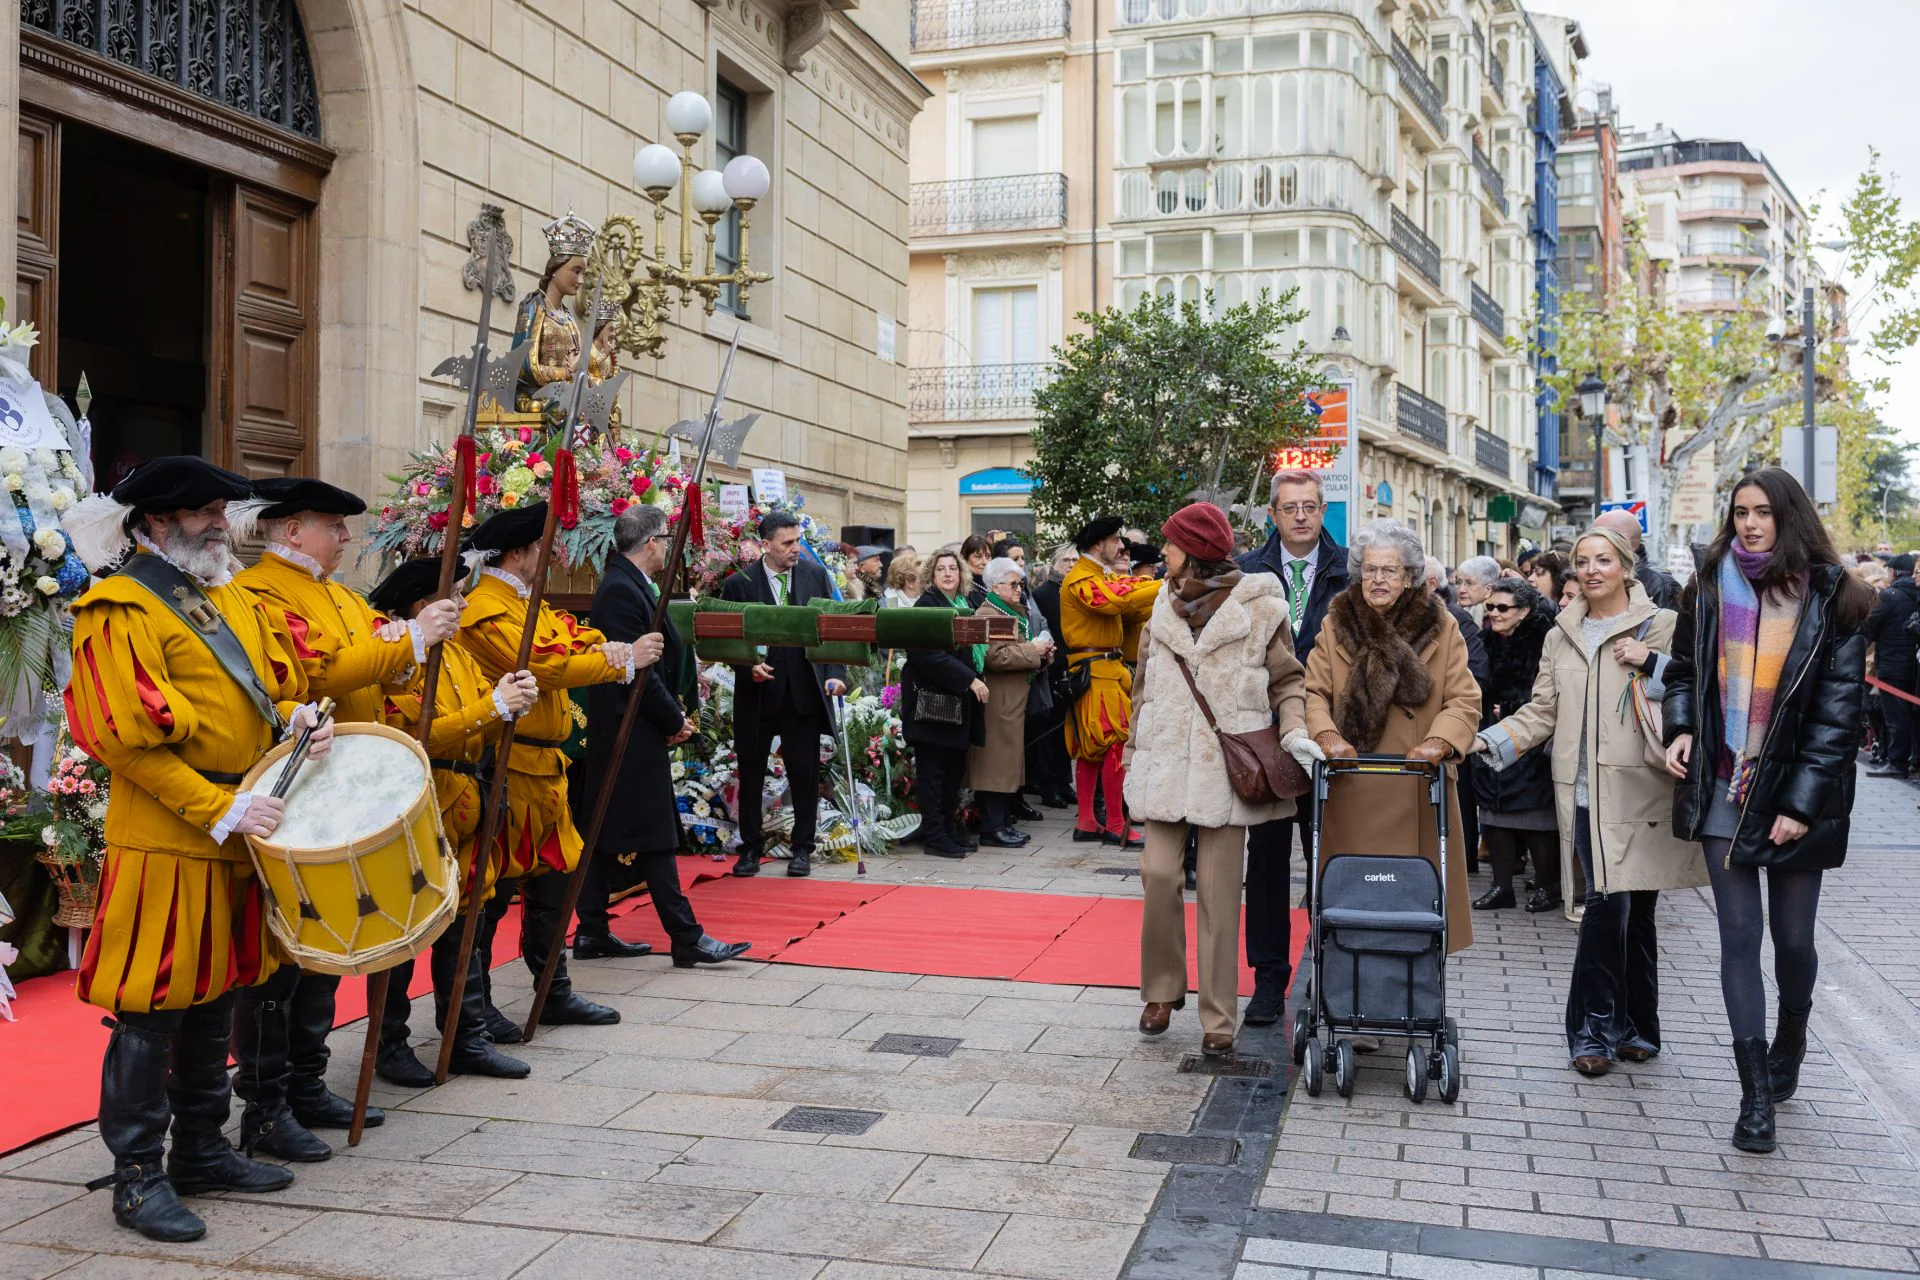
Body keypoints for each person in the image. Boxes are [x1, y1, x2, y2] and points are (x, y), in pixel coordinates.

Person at [64, 457, 324, 1241]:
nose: (220, 522)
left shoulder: (221, 595)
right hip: (172, 838)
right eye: (202, 511)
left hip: (236, 827)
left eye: (220, 508)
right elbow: (119, 738)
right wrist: (221, 808)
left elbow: (259, 691)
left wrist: (299, 721)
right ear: (152, 524)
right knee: (153, 1008)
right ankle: (138, 1177)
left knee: (217, 995)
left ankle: (203, 1150)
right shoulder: (117, 608)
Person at [229, 477, 466, 1157]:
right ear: (292, 529)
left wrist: (411, 649)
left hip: (348, 781)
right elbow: (320, 670)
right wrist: (410, 639)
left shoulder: (338, 594)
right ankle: (266, 1097)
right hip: (298, 783)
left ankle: (306, 1082)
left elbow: (374, 669)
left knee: (330, 944)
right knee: (286, 957)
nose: (345, 537)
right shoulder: (262, 591)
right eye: (332, 524)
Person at [1663, 468, 1871, 1153]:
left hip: (1792, 794)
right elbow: (1685, 672)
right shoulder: (1708, 584)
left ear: (1789, 517)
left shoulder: (1832, 597)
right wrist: (1682, 727)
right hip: (1725, 785)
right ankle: (1755, 1096)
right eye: (1740, 511)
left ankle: (1793, 1035)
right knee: (1738, 939)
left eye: (1763, 512)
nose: (1749, 523)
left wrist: (1802, 806)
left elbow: (1837, 721)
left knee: (1793, 941)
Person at [1474, 524, 1694, 1077]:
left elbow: (1695, 688)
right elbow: (1543, 709)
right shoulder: (1560, 633)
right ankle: (1593, 1029)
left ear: (1626, 565)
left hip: (1642, 788)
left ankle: (1639, 1026)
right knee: (1607, 902)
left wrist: (1651, 661)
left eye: (1604, 560)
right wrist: (1486, 741)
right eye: (1583, 560)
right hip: (1583, 793)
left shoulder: (1661, 625)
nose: (1593, 570)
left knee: (1637, 907)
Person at [1128, 502, 1317, 1057]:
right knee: (1158, 873)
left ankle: (1217, 1015)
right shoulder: (1158, 607)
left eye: (1169, 543)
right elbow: (1143, 688)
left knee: (1216, 894)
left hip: (1228, 772)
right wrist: (1134, 749)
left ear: (1194, 550)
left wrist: (1295, 732)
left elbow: (1288, 680)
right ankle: (1162, 989)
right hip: (1165, 763)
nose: (1162, 553)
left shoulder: (1259, 608)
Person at [460, 501, 642, 1037]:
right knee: (494, 891)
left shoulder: (523, 599)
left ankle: (553, 990)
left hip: (545, 764)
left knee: (554, 881)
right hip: (509, 762)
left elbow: (570, 636)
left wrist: (600, 647)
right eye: (538, 547)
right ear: (517, 553)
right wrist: (624, 659)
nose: (544, 555)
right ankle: (477, 1005)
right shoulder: (486, 607)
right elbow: (544, 663)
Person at [1307, 519, 1481, 1051]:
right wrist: (1328, 735)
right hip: (1353, 780)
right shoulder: (1335, 625)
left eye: (1391, 570)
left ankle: (1409, 1001)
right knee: (1354, 899)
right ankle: (1351, 1001)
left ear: (1410, 577)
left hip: (1416, 780)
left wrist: (1440, 743)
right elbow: (1313, 691)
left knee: (1411, 902)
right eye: (1369, 570)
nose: (1378, 579)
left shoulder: (1442, 625)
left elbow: (1463, 699)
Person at [367, 558, 537, 1087]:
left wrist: (506, 704)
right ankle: (388, 1044)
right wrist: (492, 708)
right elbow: (411, 731)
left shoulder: (459, 653)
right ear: (422, 606)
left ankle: (466, 1035)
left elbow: (476, 726)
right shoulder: (398, 653)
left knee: (467, 922)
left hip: (469, 798)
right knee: (406, 924)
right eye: (455, 597)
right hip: (423, 800)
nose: (464, 604)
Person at [579, 506, 753, 967]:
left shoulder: (631, 583)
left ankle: (592, 929)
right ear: (652, 542)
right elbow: (636, 671)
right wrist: (672, 718)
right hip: (626, 728)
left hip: (635, 726)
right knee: (654, 833)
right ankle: (685, 936)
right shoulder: (620, 590)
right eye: (667, 537)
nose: (671, 546)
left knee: (604, 828)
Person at [1234, 469, 1350, 1025]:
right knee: (1268, 862)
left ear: (1322, 511)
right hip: (1268, 737)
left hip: (1332, 735)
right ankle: (1268, 978)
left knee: (1331, 858)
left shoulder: (1350, 569)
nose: (1300, 515)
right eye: (1290, 507)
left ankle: (1335, 972)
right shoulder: (1247, 573)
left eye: (1309, 506)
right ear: (1274, 515)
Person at [721, 510, 849, 878]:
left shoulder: (814, 575)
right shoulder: (740, 583)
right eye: (788, 543)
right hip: (757, 694)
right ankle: (749, 849)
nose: (796, 549)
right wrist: (747, 666)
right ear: (766, 545)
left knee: (804, 774)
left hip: (802, 692)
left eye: (798, 541)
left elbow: (834, 630)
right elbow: (727, 639)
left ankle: (802, 849)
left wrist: (836, 674)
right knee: (750, 772)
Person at [1061, 516, 1164, 847]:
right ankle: (1114, 824)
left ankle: (1087, 823)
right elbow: (1115, 598)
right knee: (1113, 743)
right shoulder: (1080, 579)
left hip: (1104, 668)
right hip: (1096, 669)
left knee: (1091, 750)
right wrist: (1167, 585)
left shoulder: (1095, 575)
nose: (1121, 547)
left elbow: (1126, 590)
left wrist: (1160, 585)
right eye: (1116, 541)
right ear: (1097, 545)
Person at [1470, 577, 1560, 913]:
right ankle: (1501, 886)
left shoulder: (1543, 637)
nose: (1493, 613)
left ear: (1523, 611)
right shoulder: (1487, 639)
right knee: (1493, 817)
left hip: (1530, 741)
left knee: (1535, 819)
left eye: (1502, 607)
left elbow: (1547, 694)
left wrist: (1509, 709)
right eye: (1490, 606)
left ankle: (1548, 887)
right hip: (1489, 737)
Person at [902, 548, 989, 857]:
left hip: (955, 707)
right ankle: (936, 836)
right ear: (932, 576)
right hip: (932, 707)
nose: (948, 574)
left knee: (952, 775)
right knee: (933, 776)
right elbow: (927, 654)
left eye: (953, 568)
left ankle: (949, 829)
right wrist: (969, 679)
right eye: (941, 570)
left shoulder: (962, 603)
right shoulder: (926, 605)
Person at [970, 557, 1054, 847]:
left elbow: (1015, 651)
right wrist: (1032, 650)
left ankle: (1002, 821)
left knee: (1007, 766)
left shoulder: (1007, 610)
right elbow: (995, 657)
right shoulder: (987, 612)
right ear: (995, 586)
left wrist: (1042, 653)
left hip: (1012, 700)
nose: (1020, 589)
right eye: (1014, 584)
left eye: (1020, 583)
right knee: (996, 766)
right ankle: (992, 826)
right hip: (999, 702)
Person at [1425, 556, 1489, 873]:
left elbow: (1475, 676)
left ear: (1430, 584)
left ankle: (1461, 858)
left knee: (1457, 795)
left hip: (1447, 727)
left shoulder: (1454, 619)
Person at [1860, 553, 1920, 777]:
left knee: (1895, 718)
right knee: (1912, 717)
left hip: (1892, 666)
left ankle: (1897, 763)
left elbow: (1869, 627)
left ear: (1893, 572)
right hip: (1914, 666)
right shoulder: (1916, 595)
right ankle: (1913, 760)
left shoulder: (1889, 596)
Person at [1028, 544, 1077, 809]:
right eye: (1066, 560)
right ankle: (1049, 785)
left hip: (1074, 668)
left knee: (1067, 730)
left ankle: (1063, 781)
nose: (1071, 564)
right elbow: (1041, 629)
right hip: (1052, 668)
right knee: (1049, 732)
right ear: (1055, 564)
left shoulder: (1078, 590)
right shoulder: (1043, 593)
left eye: (1075, 560)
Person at [1593, 509, 1680, 611]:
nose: (1591, 541)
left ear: (1623, 539)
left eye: (1598, 536)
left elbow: (1670, 625)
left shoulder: (1659, 584)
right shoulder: (1591, 576)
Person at [1452, 556, 1501, 624]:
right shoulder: (1452, 612)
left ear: (1488, 590)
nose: (1461, 590)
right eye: (1459, 582)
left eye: (1469, 583)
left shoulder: (1495, 621)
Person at [960, 533, 994, 607]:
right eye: (978, 556)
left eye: (988, 556)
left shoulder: (994, 584)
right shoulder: (961, 588)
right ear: (965, 559)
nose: (985, 562)